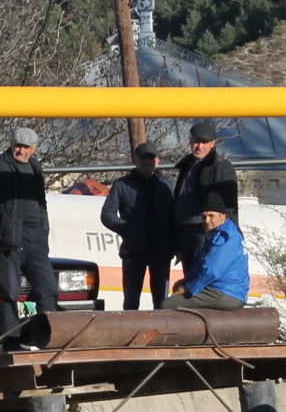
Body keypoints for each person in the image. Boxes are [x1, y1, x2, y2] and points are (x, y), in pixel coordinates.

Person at [0, 127, 59, 338]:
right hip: (8, 238)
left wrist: (44, 229)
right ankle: (11, 340)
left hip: (35, 237)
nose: (21, 151)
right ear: (11, 143)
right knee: (9, 291)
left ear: (34, 149)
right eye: (18, 146)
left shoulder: (35, 166)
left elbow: (42, 203)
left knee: (47, 289)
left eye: (26, 147)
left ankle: (37, 335)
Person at [100, 141, 177, 310]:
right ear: (135, 160)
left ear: (157, 161)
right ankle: (130, 334)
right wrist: (127, 228)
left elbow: (175, 216)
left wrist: (175, 244)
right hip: (134, 251)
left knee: (161, 302)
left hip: (161, 251)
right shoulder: (122, 184)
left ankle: (161, 334)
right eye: (143, 158)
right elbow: (107, 215)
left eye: (150, 158)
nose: (146, 162)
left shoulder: (166, 185)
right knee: (131, 301)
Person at [172, 121, 238, 280]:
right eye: (196, 141)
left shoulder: (221, 167)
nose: (199, 146)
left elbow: (228, 206)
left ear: (213, 144)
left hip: (206, 233)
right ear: (190, 141)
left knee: (203, 279)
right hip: (186, 232)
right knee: (191, 279)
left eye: (204, 142)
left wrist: (222, 236)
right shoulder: (187, 166)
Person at [162, 194, 248, 310]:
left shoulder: (225, 238)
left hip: (226, 293)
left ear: (223, 216)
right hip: (224, 289)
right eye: (204, 216)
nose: (207, 221)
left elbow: (211, 271)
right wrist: (186, 282)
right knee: (179, 289)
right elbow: (201, 266)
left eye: (211, 216)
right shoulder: (220, 233)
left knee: (168, 305)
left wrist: (188, 287)